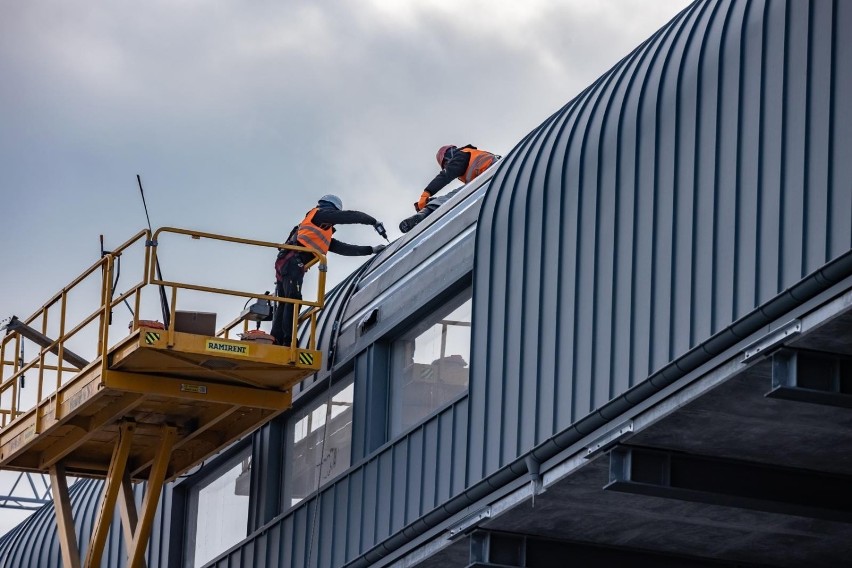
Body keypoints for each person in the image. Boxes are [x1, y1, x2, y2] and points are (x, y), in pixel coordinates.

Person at [271, 194, 386, 347]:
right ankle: (287, 342)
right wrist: (373, 222)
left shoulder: (319, 229)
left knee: (286, 301)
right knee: (292, 300)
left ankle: (276, 340)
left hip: (287, 263)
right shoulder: (320, 214)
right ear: (332, 208)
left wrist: (371, 250)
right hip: (292, 262)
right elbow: (349, 217)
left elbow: (343, 248)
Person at [400, 144, 500, 233]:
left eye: (446, 164)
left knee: (453, 196)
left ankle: (425, 214)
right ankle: (432, 207)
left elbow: (446, 174)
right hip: (491, 178)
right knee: (452, 197)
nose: (447, 166)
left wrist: (427, 193)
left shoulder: (462, 154)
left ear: (449, 155)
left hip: (491, 175)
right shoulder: (471, 159)